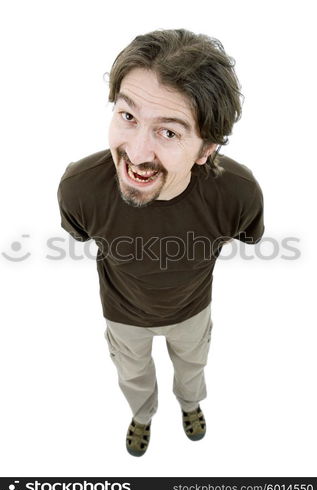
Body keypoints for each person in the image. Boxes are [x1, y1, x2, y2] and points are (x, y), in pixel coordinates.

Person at [57, 28, 265, 457]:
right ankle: (142, 414)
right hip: (122, 315)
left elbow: (249, 234)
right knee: (132, 376)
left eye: (168, 132)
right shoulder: (79, 189)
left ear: (206, 148)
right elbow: (79, 232)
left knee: (192, 370)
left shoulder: (238, 194)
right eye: (128, 116)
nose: (135, 153)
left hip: (192, 311)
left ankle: (190, 406)